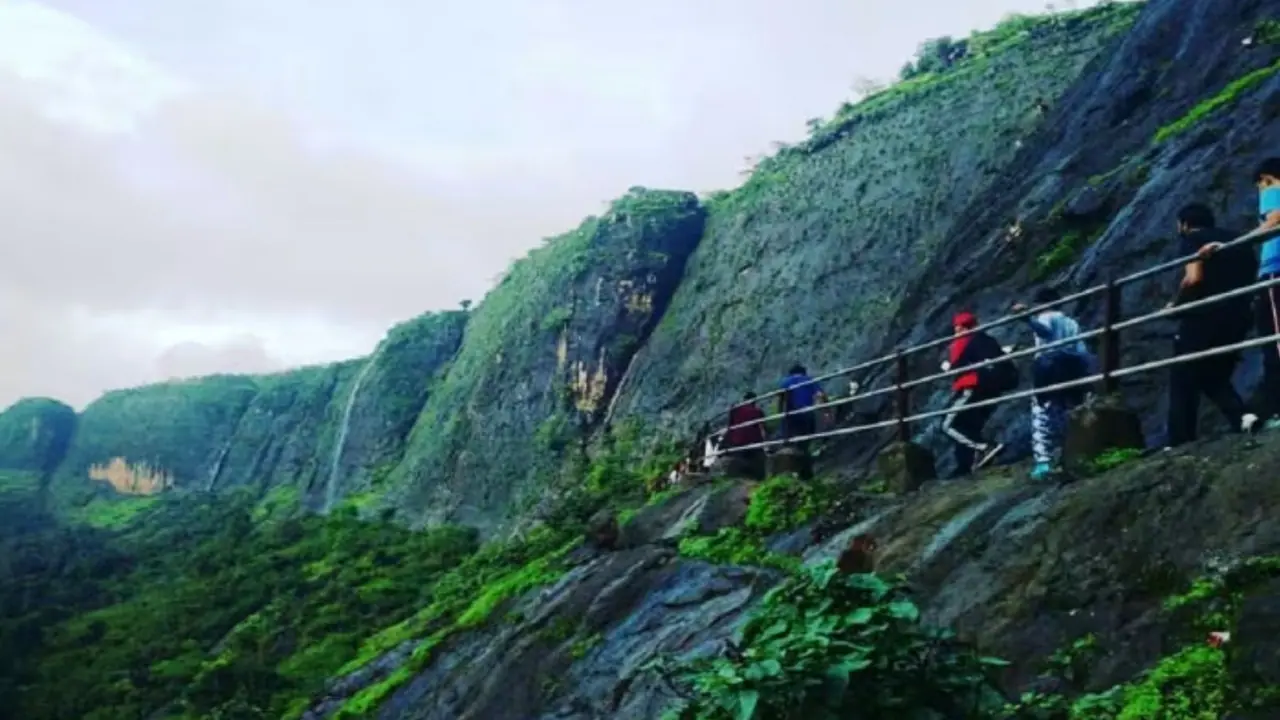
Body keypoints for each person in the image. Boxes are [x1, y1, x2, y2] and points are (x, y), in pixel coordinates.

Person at [1164, 203, 1259, 447]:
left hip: (1204, 315)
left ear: (1184, 224)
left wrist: (1176, 305)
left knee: (1183, 374)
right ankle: (1243, 417)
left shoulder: (1193, 240)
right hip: (1239, 315)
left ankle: (1179, 439)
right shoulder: (1238, 240)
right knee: (1213, 375)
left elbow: (1193, 278)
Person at [1012, 289, 1093, 479]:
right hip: (1072, 366)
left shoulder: (1046, 317)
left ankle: (1044, 461)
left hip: (1048, 365)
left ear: (1041, 304)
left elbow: (1045, 331)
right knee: (1069, 407)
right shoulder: (1071, 322)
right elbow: (1082, 350)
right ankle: (1072, 450)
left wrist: (1027, 318)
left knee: (1041, 410)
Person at [941, 312, 1007, 477]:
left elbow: (955, 366)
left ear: (959, 328)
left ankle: (986, 447)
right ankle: (970, 462)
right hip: (993, 388)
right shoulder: (987, 340)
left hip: (971, 386)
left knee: (949, 425)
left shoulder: (962, 342)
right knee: (969, 425)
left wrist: (948, 367)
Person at [778, 364, 827, 443]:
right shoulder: (809, 380)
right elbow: (820, 394)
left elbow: (781, 400)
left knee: (792, 438)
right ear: (803, 372)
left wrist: (781, 415)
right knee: (807, 437)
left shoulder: (786, 382)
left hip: (792, 414)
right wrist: (826, 411)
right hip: (807, 413)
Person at [723, 392, 767, 479]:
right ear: (755, 401)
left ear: (744, 399)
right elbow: (763, 429)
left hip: (737, 442)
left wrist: (727, 440)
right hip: (753, 442)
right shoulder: (758, 411)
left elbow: (730, 426)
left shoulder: (735, 409)